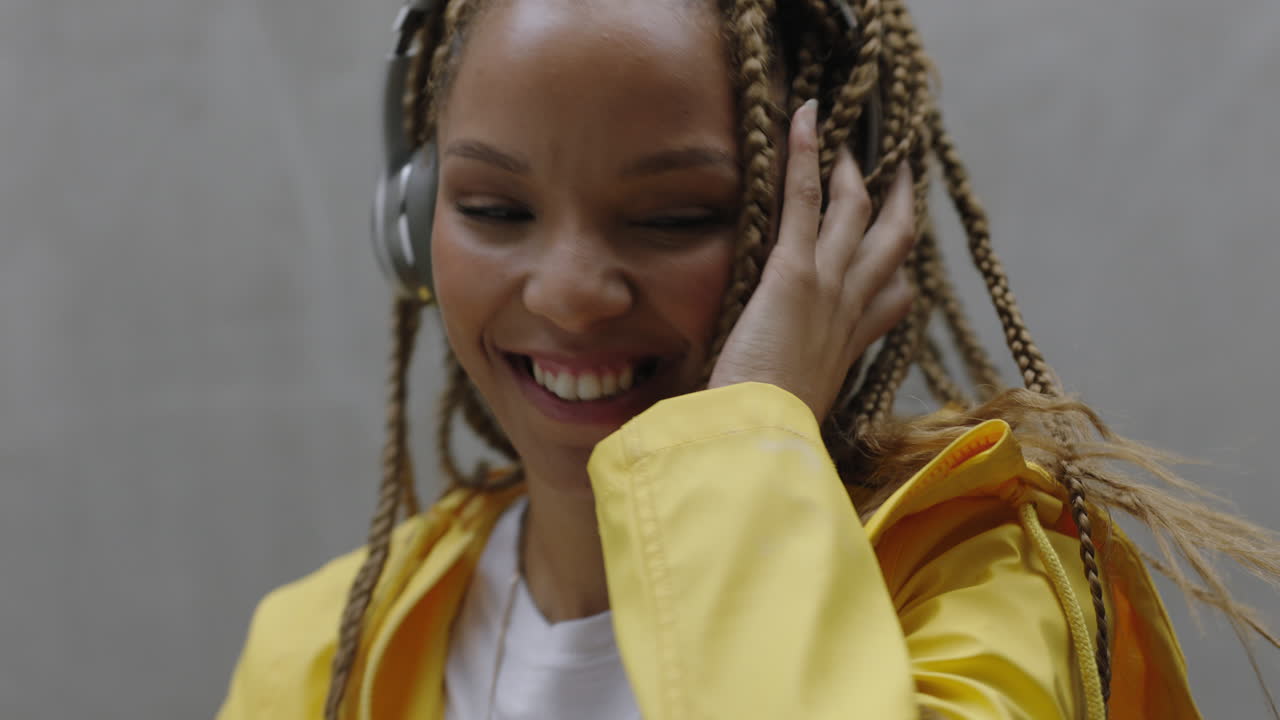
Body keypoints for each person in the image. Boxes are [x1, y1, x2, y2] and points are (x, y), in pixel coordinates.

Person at [218, 0, 1280, 718]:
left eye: (675, 215)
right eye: (493, 207)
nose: (569, 290)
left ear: (831, 229)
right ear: (408, 224)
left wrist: (737, 436)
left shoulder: (983, 591)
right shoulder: (317, 656)